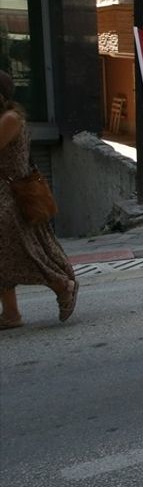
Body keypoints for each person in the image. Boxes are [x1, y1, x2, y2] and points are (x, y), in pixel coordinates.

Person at [0, 70, 77, 329]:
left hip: (10, 197)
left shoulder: (10, 119)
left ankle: (61, 284)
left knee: (23, 253)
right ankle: (11, 314)